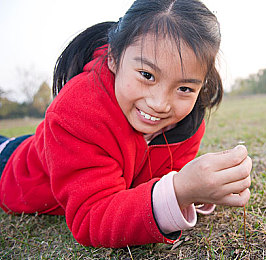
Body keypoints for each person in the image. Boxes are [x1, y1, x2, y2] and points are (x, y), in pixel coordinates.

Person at [0, 0, 252, 248]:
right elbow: (91, 217)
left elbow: (151, 187)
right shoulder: (76, 110)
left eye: (184, 88)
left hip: (48, 143)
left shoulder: (188, 121)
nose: (160, 103)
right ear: (114, 57)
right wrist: (180, 191)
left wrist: (197, 190)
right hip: (12, 166)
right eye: (147, 75)